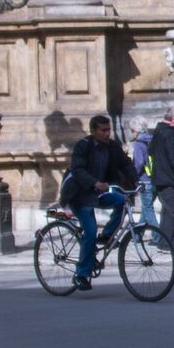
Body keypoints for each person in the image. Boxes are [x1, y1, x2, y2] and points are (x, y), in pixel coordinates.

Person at [65, 114, 136, 291]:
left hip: (99, 192)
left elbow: (125, 164)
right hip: (80, 194)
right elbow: (78, 170)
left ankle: (106, 235)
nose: (107, 134)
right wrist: (94, 183)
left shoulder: (112, 146)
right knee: (89, 231)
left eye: (108, 130)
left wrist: (139, 180)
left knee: (122, 201)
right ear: (93, 131)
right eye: (103, 130)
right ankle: (81, 275)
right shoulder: (83, 146)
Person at [148, 106, 174, 247]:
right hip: (168, 178)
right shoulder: (170, 133)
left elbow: (150, 151)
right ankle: (168, 245)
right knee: (173, 211)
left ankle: (163, 243)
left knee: (167, 210)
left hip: (158, 177)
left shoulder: (158, 130)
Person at [128, 116, 159, 229]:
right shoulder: (152, 140)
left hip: (144, 180)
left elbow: (139, 163)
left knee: (148, 210)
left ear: (136, 130)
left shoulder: (139, 144)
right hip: (154, 178)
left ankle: (159, 237)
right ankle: (137, 234)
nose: (132, 133)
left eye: (132, 130)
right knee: (145, 209)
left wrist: (133, 176)